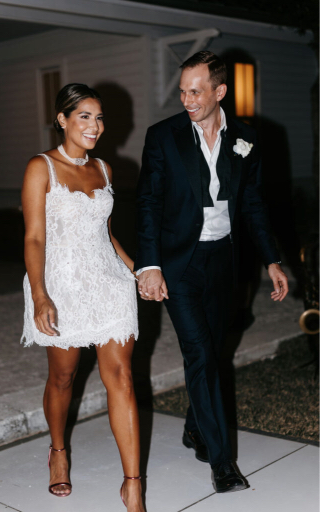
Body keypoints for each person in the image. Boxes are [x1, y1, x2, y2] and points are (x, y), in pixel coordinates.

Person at [134, 51, 288, 493]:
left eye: (195, 91)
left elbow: (254, 205)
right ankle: (222, 463)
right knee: (200, 354)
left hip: (224, 261)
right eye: (182, 91)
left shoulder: (246, 138)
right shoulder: (163, 137)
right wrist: (150, 265)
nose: (186, 99)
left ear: (220, 91)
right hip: (180, 262)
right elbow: (148, 203)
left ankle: (195, 427)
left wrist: (271, 259)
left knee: (214, 352)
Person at [21, 83, 145, 511]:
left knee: (122, 379)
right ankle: (58, 451)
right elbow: (35, 238)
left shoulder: (105, 170)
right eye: (85, 117)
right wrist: (40, 295)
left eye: (99, 117)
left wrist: (139, 270)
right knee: (63, 377)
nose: (95, 126)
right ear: (63, 119)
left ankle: (133, 485)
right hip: (62, 284)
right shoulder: (42, 168)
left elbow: (105, 234)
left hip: (109, 282)